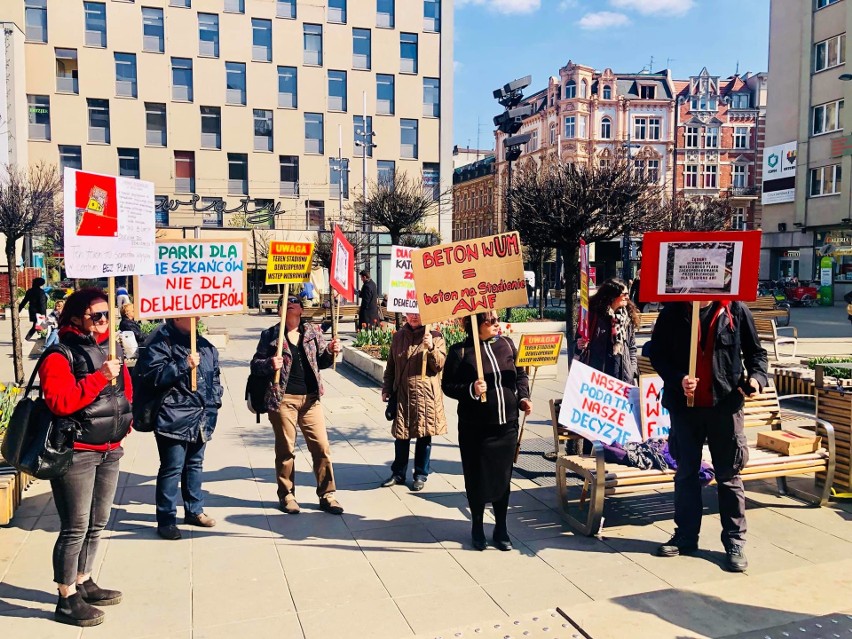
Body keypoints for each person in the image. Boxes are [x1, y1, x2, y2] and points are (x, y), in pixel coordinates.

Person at [650, 299, 768, 572]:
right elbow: (657, 354)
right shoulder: (673, 311)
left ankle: (734, 542)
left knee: (729, 476)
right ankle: (686, 536)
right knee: (686, 474)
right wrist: (678, 378)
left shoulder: (735, 310)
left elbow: (757, 354)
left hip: (725, 407)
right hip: (685, 408)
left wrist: (756, 379)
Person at [39, 288, 132, 627]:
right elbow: (61, 402)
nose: (105, 321)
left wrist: (125, 424)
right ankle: (66, 597)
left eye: (108, 314)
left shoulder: (105, 349)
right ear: (77, 318)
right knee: (75, 527)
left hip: (109, 450)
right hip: (77, 452)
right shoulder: (59, 356)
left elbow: (123, 391)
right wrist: (99, 377)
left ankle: (84, 579)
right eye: (98, 316)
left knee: (98, 522)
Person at [442, 311, 532, 552]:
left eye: (496, 319)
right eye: (490, 321)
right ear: (475, 324)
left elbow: (521, 375)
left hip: (507, 426)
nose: (496, 324)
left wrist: (523, 398)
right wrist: (471, 388)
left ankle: (501, 528)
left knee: (503, 478)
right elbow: (448, 385)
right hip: (476, 429)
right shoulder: (460, 351)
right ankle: (478, 527)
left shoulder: (506, 344)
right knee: (477, 479)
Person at [250, 294, 344, 515]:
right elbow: (255, 365)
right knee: (286, 450)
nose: (289, 304)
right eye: (285, 302)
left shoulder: (312, 332)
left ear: (301, 310)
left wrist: (331, 351)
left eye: (294, 302)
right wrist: (268, 363)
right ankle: (287, 494)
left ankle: (327, 494)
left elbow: (321, 362)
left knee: (321, 447)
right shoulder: (271, 335)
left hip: (311, 400)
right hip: (283, 399)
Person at [133, 316, 223, 540]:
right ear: (175, 316)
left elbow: (216, 377)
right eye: (189, 315)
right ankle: (166, 519)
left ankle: (194, 510)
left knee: (195, 465)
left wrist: (215, 400)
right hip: (173, 416)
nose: (196, 318)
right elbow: (153, 377)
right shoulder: (161, 343)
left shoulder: (205, 345)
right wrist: (184, 364)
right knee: (172, 468)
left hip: (202, 416)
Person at [380, 312, 448, 491]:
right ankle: (398, 473)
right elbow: (391, 366)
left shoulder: (435, 336)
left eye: (417, 313)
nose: (414, 317)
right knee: (401, 436)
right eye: (410, 314)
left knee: (424, 437)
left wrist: (431, 347)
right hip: (403, 394)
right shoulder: (399, 337)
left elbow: (439, 365)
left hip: (426, 396)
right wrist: (387, 388)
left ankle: (420, 474)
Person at [576, 278, 639, 384]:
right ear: (612, 296)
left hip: (623, 377)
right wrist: (580, 344)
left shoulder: (627, 317)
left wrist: (632, 370)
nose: (628, 297)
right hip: (598, 377)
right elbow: (578, 341)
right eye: (624, 294)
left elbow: (632, 347)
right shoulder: (594, 315)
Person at [19, 276, 48, 341]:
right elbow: (42, 303)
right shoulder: (41, 292)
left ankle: (41, 336)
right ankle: (28, 338)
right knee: (38, 324)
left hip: (32, 310)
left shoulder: (29, 291)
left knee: (37, 324)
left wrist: (18, 310)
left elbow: (24, 301)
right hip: (39, 311)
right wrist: (43, 314)